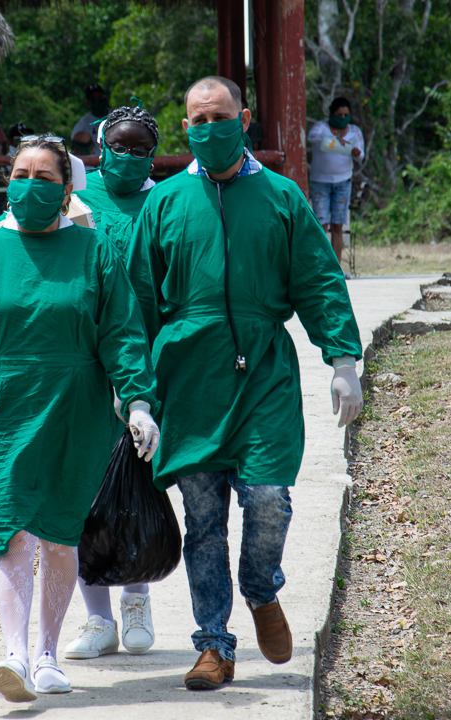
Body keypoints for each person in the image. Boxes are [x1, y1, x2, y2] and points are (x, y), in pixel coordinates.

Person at [128, 76, 364, 690]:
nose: (210, 127)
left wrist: (342, 360)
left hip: (263, 373)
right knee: (203, 521)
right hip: (190, 381)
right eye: (199, 120)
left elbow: (318, 280)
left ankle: (261, 588)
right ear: (186, 128)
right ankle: (213, 644)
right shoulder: (164, 203)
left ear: (245, 118)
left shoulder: (282, 197)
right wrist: (138, 393)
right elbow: (138, 304)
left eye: (221, 116)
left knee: (267, 497)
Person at [0, 136, 161, 702]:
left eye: (44, 177)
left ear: (66, 189)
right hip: (0, 408)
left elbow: (122, 332)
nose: (30, 185)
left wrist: (138, 402)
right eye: (20, 174)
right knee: (10, 532)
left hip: (76, 408)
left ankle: (48, 655)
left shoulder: (94, 250)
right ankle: (15, 656)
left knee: (59, 534)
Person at [61, 104, 162, 661]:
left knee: (134, 484)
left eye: (139, 149)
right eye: (118, 146)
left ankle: (137, 599)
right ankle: (97, 617)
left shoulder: (165, 201)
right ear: (100, 146)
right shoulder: (77, 198)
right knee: (86, 489)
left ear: (153, 155)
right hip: (81, 361)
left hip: (143, 361)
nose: (127, 156)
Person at [308, 97, 364, 275]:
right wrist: (335, 138)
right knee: (321, 225)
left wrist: (355, 152)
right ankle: (320, 268)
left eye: (346, 114)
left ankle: (336, 269)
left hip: (343, 182)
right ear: (331, 114)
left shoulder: (354, 131)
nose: (342, 118)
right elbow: (311, 137)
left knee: (338, 226)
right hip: (321, 182)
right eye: (339, 114)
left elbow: (361, 155)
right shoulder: (321, 127)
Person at [72, 83, 110, 150]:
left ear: (106, 98)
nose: (98, 101)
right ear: (88, 103)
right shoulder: (82, 125)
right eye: (93, 99)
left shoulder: (117, 116)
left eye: (100, 97)